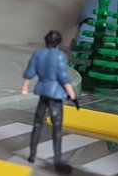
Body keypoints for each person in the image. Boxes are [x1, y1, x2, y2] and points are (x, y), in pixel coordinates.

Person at [21, 30, 77, 168]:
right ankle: (57, 159)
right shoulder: (59, 56)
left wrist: (25, 87)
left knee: (37, 124)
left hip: (42, 92)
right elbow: (63, 77)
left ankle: (32, 155)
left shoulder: (38, 53)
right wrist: (72, 94)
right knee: (57, 128)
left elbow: (30, 72)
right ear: (58, 43)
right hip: (55, 94)